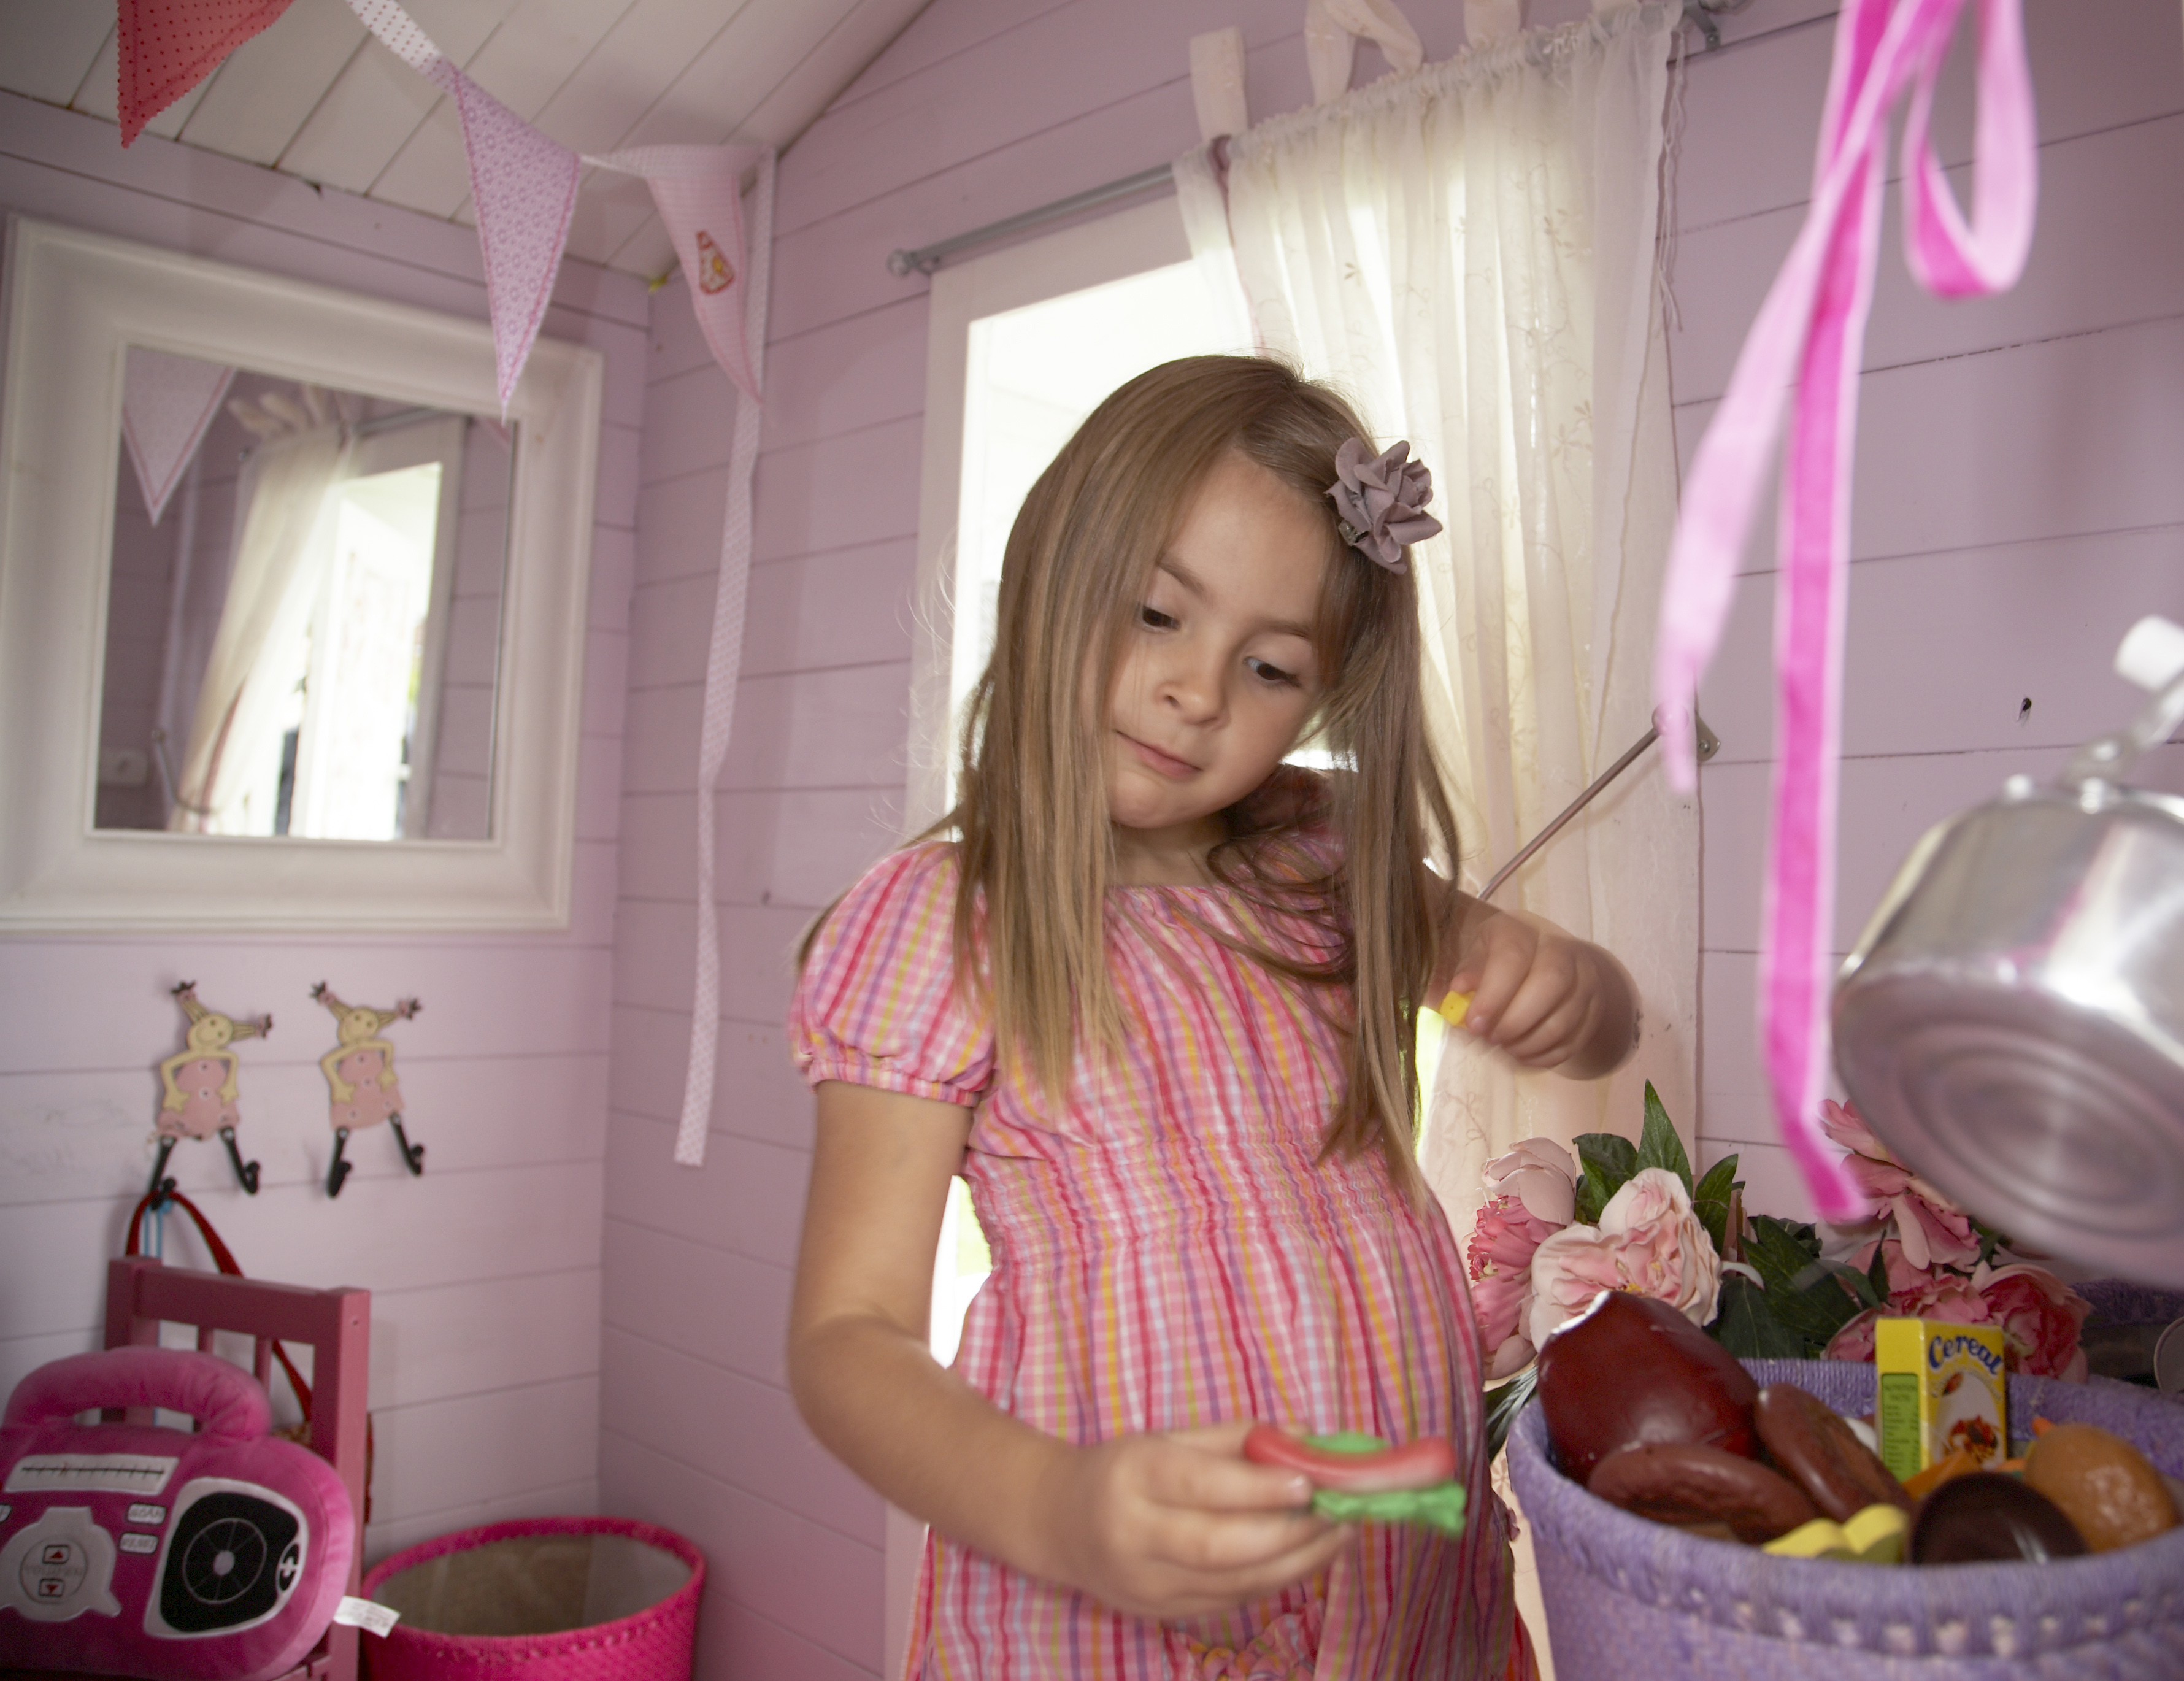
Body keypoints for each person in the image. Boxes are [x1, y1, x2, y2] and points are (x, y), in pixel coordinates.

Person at [786, 356, 1638, 1679]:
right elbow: (846, 1340)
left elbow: (1591, 1029)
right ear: (1055, 572)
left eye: (1269, 666)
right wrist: (1053, 1508)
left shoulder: (1323, 860)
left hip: (1403, 1560)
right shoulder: (944, 922)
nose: (1198, 692)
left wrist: (1572, 988)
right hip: (1116, 1600)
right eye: (1156, 614)